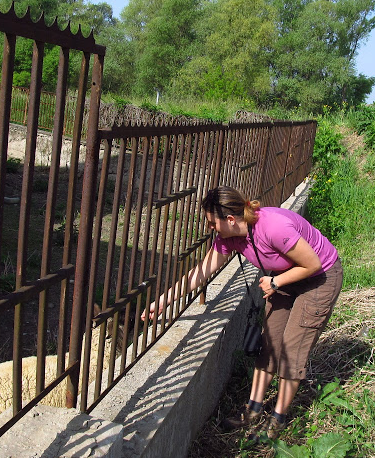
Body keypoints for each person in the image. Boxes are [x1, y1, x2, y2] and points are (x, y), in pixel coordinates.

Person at [143, 186, 343, 439]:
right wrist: (164, 300)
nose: (210, 228)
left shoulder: (273, 227)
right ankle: (252, 410)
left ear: (229, 219)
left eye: (211, 223)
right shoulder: (229, 237)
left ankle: (277, 421)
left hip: (319, 278)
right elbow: (201, 272)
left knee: (293, 348)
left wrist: (276, 283)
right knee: (270, 343)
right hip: (285, 277)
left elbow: (312, 263)